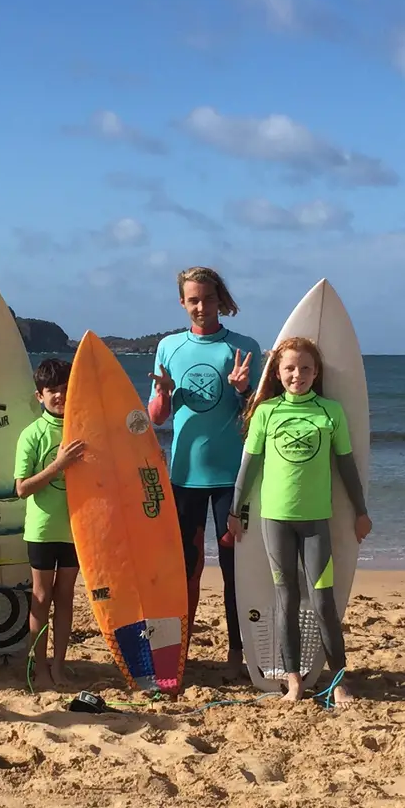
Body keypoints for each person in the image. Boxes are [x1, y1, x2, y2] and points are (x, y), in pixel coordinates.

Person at [225, 336, 372, 703]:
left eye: (305, 368)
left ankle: (339, 680)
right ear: (277, 372)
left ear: (316, 372)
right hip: (275, 520)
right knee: (286, 598)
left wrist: (361, 511)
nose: (298, 375)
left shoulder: (329, 412)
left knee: (323, 602)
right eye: (289, 368)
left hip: (315, 522)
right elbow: (249, 466)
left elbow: (346, 468)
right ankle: (293, 681)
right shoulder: (266, 412)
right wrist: (234, 511)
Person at [147, 266, 261, 673]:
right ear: (182, 302)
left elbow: (259, 417)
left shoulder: (244, 348)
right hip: (184, 478)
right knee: (185, 573)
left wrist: (244, 390)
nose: (200, 307)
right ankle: (179, 654)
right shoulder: (169, 348)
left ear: (220, 300)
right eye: (192, 300)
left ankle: (237, 653)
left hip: (233, 478)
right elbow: (157, 418)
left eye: (208, 299)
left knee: (235, 573)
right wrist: (162, 393)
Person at [14, 357, 86, 689]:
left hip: (75, 528)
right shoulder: (32, 434)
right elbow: (22, 487)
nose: (59, 396)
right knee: (41, 598)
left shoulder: (82, 430)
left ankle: (58, 666)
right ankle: (38, 667)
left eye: (64, 389)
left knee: (66, 598)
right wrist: (59, 465)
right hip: (42, 529)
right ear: (39, 395)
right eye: (51, 391)